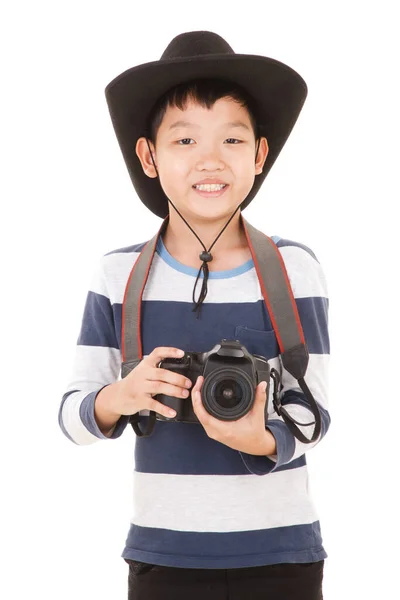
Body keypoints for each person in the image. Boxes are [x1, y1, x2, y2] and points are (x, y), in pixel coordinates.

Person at [59, 30, 330, 600]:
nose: (210, 159)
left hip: (280, 554)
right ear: (149, 156)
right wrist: (121, 397)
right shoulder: (117, 276)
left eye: (232, 139)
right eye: (184, 139)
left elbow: (315, 418)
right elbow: (70, 416)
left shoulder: (292, 270)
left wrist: (258, 437)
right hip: (163, 556)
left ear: (259, 154)